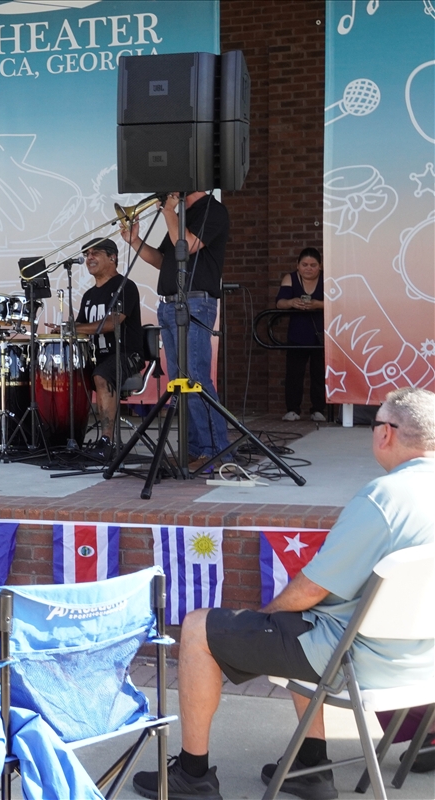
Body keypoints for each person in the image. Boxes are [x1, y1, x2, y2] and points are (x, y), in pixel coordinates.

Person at [132, 387, 435, 800]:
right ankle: (310, 765)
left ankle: (192, 774)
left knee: (202, 627)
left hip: (361, 661)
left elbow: (311, 589)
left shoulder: (384, 498)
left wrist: (265, 617)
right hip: (423, 663)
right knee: (300, 620)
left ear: (386, 433)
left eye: (374, 425)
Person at [121, 192, 230, 470]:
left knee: (195, 378)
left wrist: (169, 213)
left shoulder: (212, 210)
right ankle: (193, 449)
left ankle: (216, 451)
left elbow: (189, 245)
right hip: (170, 305)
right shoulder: (181, 216)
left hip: (195, 302)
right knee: (180, 381)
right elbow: (162, 259)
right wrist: (135, 241)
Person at [71, 238, 144, 456]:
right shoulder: (88, 295)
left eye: (95, 253)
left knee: (102, 375)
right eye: (87, 254)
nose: (89, 258)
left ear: (112, 257)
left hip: (127, 355)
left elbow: (113, 322)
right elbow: (81, 327)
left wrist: (75, 328)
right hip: (99, 357)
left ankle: (107, 442)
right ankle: (68, 437)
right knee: (68, 376)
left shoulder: (125, 286)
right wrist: (63, 329)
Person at [276, 248, 326, 422]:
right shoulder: (290, 278)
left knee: (319, 373)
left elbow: (336, 302)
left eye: (313, 265)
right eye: (304, 264)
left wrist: (317, 304)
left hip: (321, 334)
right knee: (294, 373)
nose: (308, 268)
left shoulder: (327, 279)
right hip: (297, 332)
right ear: (297, 265)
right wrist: (292, 302)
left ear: (320, 266)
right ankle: (292, 409)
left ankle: (318, 409)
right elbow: (280, 303)